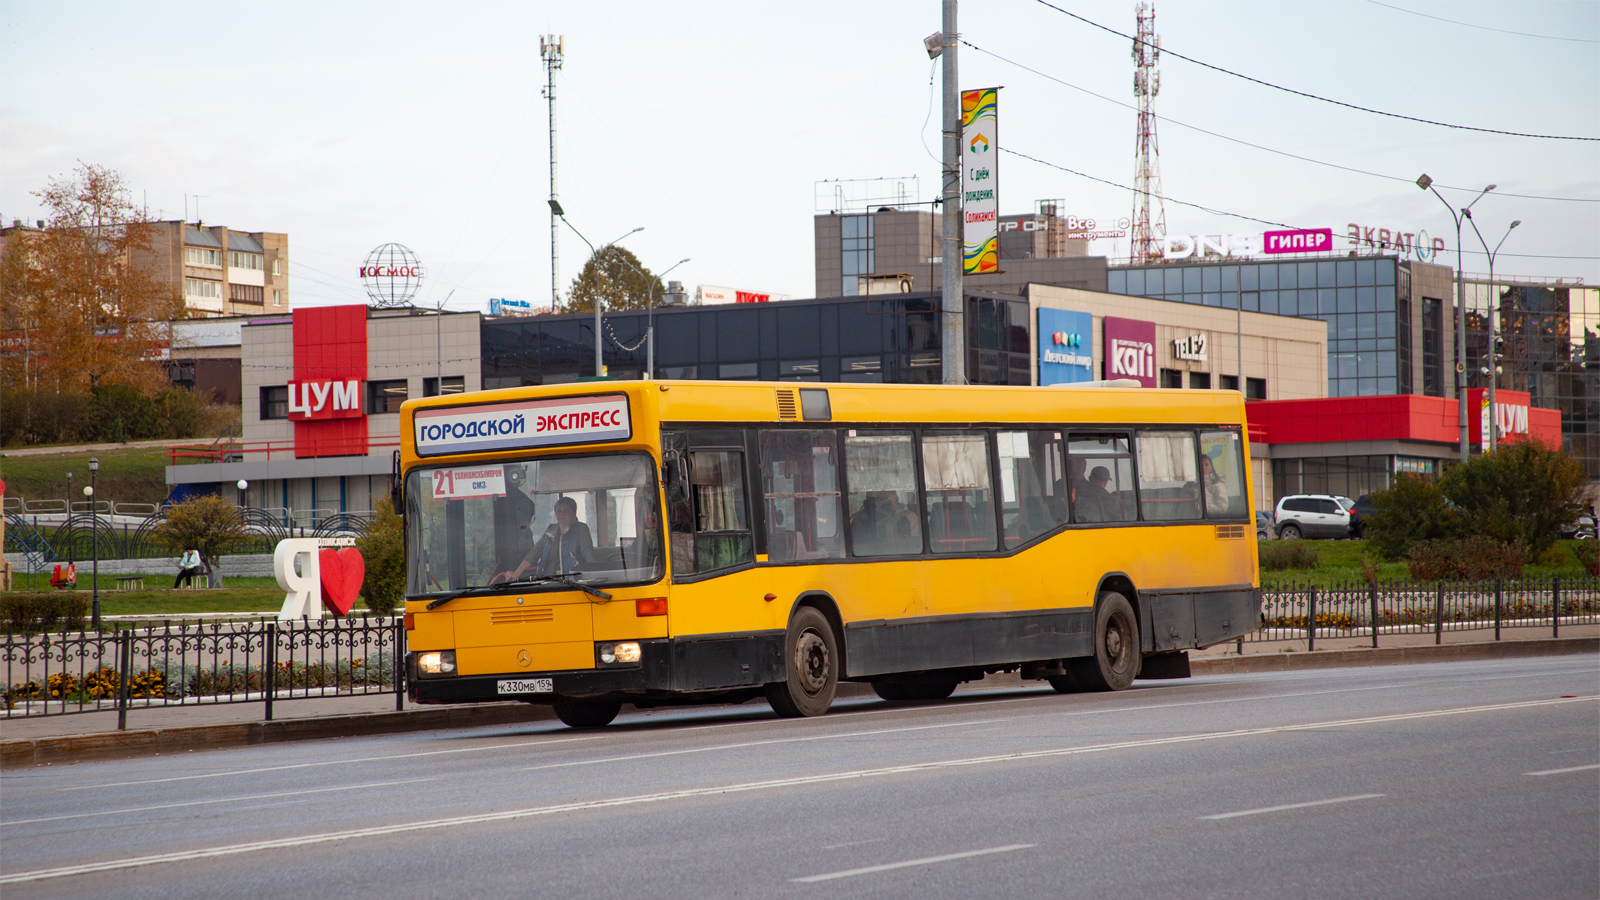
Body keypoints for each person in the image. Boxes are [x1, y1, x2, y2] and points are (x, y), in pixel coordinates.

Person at [493, 496, 593, 583]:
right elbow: (536, 551)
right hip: (548, 582)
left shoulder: (581, 529)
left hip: (573, 582)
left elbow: (587, 551)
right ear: (555, 514)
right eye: (559, 511)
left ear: (574, 513)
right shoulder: (550, 531)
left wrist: (594, 573)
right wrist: (517, 573)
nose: (562, 514)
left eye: (566, 510)